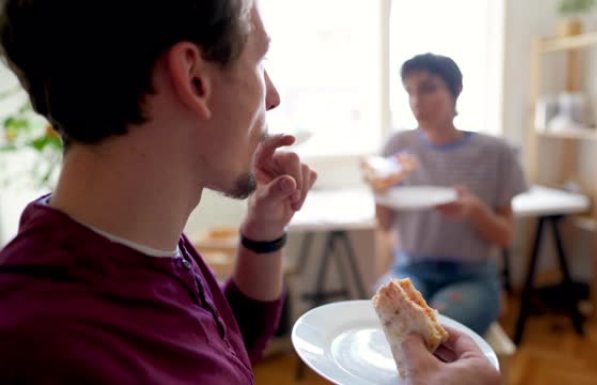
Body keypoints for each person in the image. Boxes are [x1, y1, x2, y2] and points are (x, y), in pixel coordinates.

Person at [0, 1, 499, 384]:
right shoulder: (40, 348)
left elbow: (223, 342)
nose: (274, 94)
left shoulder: (140, 243)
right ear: (194, 78)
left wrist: (263, 234)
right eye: (260, 57)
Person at [375, 53, 527, 336]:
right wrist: (379, 190)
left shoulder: (495, 152)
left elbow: (505, 237)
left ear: (455, 90)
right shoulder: (398, 146)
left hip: (472, 276)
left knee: (438, 328)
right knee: (389, 316)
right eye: (410, 91)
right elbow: (385, 224)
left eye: (428, 88)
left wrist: (475, 210)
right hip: (411, 269)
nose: (417, 101)